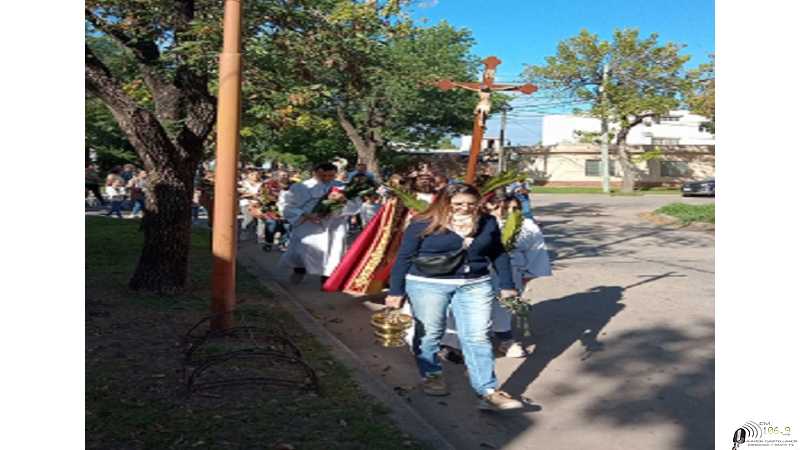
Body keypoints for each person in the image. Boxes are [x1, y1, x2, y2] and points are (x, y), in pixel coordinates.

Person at [385, 183, 524, 411]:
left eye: (471, 203)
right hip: (428, 284)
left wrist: (507, 285)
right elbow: (404, 258)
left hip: (475, 284)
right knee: (430, 334)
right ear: (445, 201)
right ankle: (431, 374)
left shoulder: (487, 222)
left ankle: (488, 391)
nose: (465, 208)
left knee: (477, 337)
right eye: (458, 204)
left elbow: (498, 253)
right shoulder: (423, 222)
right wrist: (395, 292)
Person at [278, 163, 359, 286]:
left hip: (334, 225)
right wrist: (304, 215)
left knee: (334, 251)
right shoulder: (299, 187)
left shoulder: (342, 187)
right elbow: (285, 205)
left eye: (330, 175)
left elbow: (356, 205)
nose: (327, 178)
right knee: (303, 251)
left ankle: (327, 279)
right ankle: (299, 270)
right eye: (323, 175)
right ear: (315, 173)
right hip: (308, 225)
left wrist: (343, 201)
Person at [238, 169, 264, 242]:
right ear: (247, 175)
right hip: (246, 203)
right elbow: (240, 194)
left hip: (259, 203)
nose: (255, 176)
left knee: (261, 219)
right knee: (249, 219)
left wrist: (260, 196)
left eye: (257, 174)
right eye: (252, 174)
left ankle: (260, 236)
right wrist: (252, 195)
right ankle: (244, 232)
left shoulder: (262, 183)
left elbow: (264, 193)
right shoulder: (242, 183)